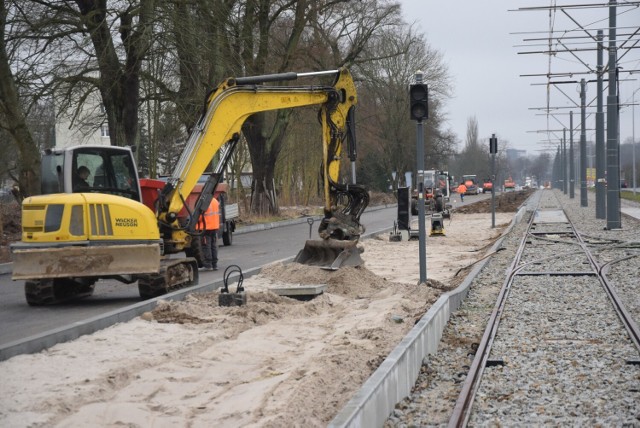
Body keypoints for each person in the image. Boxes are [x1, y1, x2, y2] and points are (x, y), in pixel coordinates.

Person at [197, 197, 220, 271]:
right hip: (214, 226)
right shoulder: (215, 201)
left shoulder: (204, 201)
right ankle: (214, 264)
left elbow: (199, 217)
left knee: (206, 246)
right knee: (213, 246)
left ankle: (208, 264)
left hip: (206, 227)